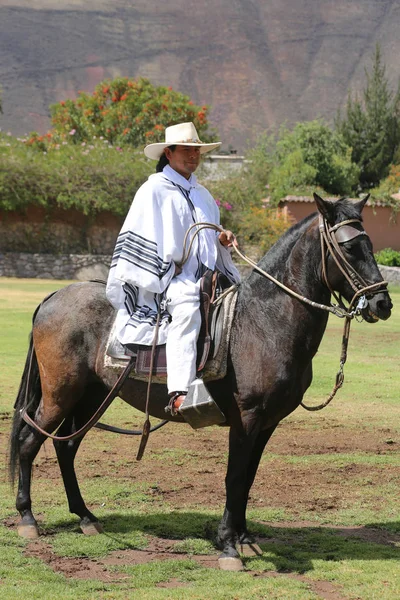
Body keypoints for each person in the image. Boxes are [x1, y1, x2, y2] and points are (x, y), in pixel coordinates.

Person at [106, 122, 240, 413]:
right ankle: (180, 392)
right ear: (168, 152)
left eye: (196, 151)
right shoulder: (153, 189)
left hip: (207, 277)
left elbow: (205, 234)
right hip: (168, 280)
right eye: (186, 150)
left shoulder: (203, 194)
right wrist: (166, 269)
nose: (193, 156)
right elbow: (137, 237)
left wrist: (221, 238)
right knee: (187, 306)